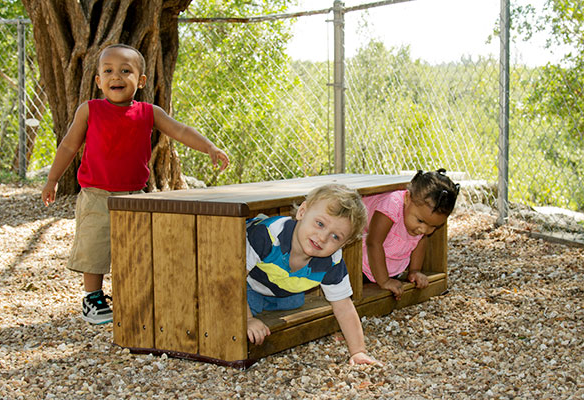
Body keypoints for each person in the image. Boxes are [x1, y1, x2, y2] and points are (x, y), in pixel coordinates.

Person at [41, 44, 229, 325]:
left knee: (135, 249)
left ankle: (129, 295)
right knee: (94, 246)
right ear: (99, 81)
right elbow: (69, 145)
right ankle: (93, 298)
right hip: (96, 194)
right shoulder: (89, 110)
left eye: (125, 71)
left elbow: (179, 130)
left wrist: (210, 147)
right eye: (108, 71)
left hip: (134, 195)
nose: (116, 76)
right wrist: (52, 179)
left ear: (140, 81)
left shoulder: (148, 112)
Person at [245, 184, 381, 366]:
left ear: (344, 244)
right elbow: (230, 279)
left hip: (280, 286)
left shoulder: (332, 261)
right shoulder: (267, 236)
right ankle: (252, 304)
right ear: (302, 212)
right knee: (244, 306)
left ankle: (262, 301)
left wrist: (358, 351)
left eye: (335, 237)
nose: (323, 237)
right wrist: (247, 319)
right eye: (320, 224)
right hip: (244, 278)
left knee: (293, 301)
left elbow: (344, 307)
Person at [362, 169, 459, 300]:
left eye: (433, 226)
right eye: (420, 221)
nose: (425, 229)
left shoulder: (419, 221)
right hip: (362, 259)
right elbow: (373, 242)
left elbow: (420, 241)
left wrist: (414, 271)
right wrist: (384, 281)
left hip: (387, 262)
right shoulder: (391, 205)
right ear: (407, 198)